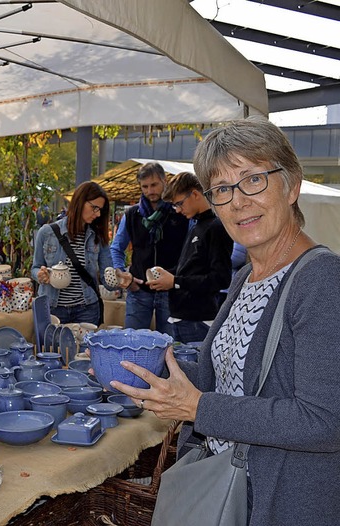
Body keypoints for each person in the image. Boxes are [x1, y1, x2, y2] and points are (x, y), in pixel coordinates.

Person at [111, 116, 340, 525]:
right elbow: (231, 379)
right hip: (223, 490)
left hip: (279, 503)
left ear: (292, 186)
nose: (237, 201)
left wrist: (198, 407)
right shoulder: (246, 277)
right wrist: (155, 369)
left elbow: (325, 421)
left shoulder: (322, 279)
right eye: (221, 189)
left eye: (253, 180)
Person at [146, 171, 233, 343]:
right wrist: (167, 276)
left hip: (198, 319)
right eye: (174, 206)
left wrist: (175, 281)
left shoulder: (216, 227)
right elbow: (189, 269)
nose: (178, 210)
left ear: (195, 194)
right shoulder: (196, 224)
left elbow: (221, 279)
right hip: (182, 317)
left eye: (179, 204)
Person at [32, 181, 132, 325]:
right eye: (94, 208)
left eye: (100, 210)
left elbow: (108, 276)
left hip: (87, 309)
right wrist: (40, 275)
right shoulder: (47, 232)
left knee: (86, 347)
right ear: (80, 202)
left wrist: (120, 278)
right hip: (53, 308)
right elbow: (35, 268)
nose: (97, 214)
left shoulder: (97, 237)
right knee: (53, 347)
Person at [110, 162, 188, 335]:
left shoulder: (180, 212)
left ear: (164, 181)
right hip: (139, 289)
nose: (149, 190)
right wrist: (123, 274)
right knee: (132, 342)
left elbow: (190, 251)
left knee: (169, 346)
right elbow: (116, 247)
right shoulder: (132, 214)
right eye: (144, 186)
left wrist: (178, 278)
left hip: (170, 289)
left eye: (154, 185)